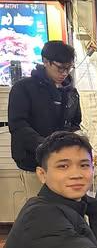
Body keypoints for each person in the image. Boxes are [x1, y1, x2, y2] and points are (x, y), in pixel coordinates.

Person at [8, 41, 81, 201]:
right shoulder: (23, 88)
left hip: (64, 163)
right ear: (45, 61)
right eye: (60, 68)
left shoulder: (71, 92)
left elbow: (75, 122)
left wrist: (76, 139)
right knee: (41, 207)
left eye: (68, 68)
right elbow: (18, 125)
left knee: (67, 207)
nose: (64, 73)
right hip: (34, 163)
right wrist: (45, 146)